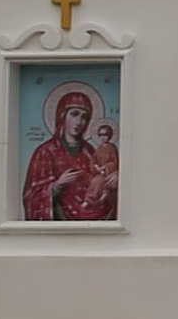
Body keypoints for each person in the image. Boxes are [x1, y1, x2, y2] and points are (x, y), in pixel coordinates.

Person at [22, 82, 119, 222]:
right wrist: (56, 185)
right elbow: (31, 196)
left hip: (95, 217)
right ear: (62, 116)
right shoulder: (45, 152)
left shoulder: (90, 151)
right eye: (74, 114)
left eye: (85, 117)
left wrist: (115, 175)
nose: (79, 121)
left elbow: (102, 176)